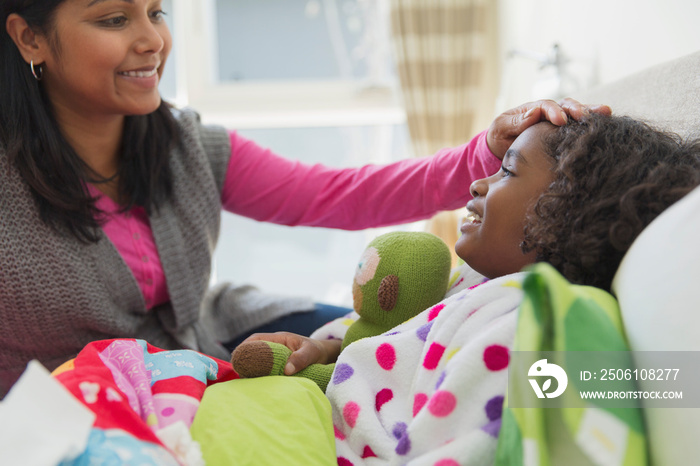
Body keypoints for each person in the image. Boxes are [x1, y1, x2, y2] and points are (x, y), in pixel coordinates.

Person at [0, 0, 603, 396]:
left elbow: (341, 194)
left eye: (156, 12)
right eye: (113, 19)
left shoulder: (187, 147)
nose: (152, 39)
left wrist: (486, 150)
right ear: (31, 38)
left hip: (210, 337)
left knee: (396, 339)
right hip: (68, 395)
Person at [235, 114, 700, 463]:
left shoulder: (519, 324)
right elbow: (379, 332)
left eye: (508, 172)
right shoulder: (474, 280)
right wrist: (320, 347)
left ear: (566, 213)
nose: (478, 182)